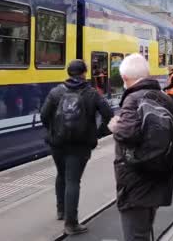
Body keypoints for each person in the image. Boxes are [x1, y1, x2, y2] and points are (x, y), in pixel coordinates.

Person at [108, 54, 173, 241]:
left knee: (135, 236)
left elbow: (126, 134)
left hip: (135, 182)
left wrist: (115, 125)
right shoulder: (165, 99)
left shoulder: (132, 100)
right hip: (159, 176)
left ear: (125, 78)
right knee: (144, 230)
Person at [40, 59, 113, 235]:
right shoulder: (92, 93)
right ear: (84, 73)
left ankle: (61, 211)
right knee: (73, 180)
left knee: (61, 174)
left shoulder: (56, 92)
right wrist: (98, 132)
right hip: (80, 145)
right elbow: (108, 114)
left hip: (58, 144)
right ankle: (71, 224)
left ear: (68, 72)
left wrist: (54, 131)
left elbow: (43, 115)